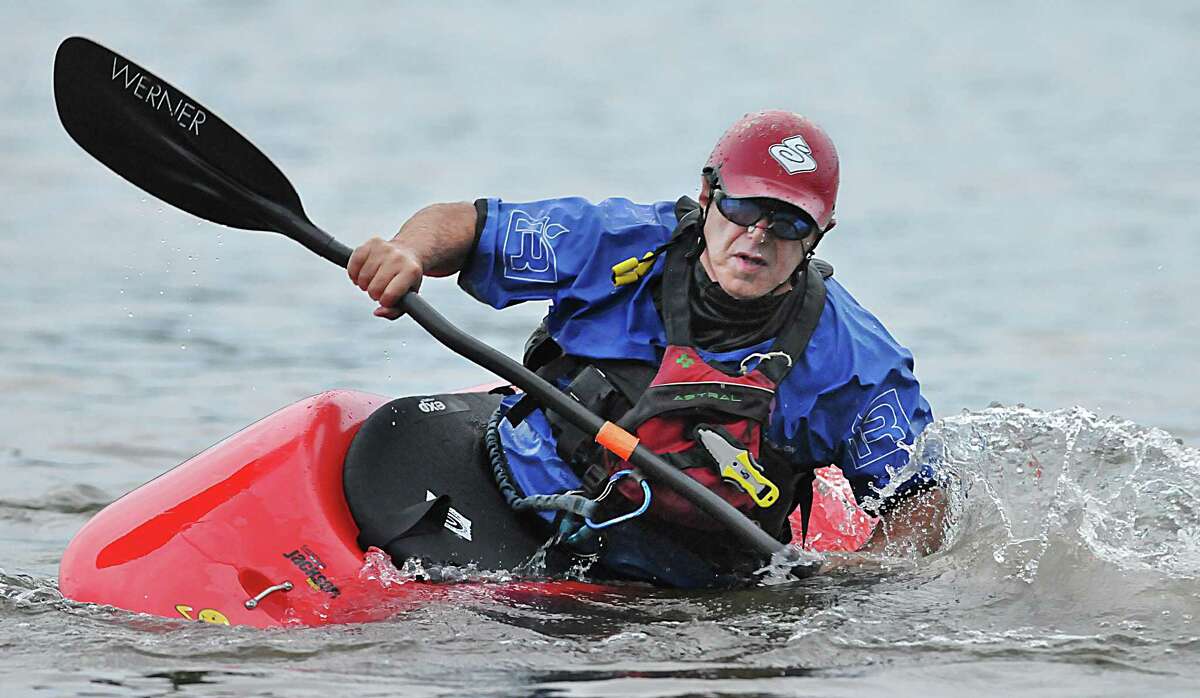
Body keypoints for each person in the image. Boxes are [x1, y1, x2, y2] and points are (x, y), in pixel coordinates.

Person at [348, 110, 944, 587]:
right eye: (744, 208)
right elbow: (465, 225)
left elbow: (924, 502)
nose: (757, 237)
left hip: (683, 580)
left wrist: (862, 572)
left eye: (788, 223)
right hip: (517, 492)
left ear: (820, 232)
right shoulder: (617, 243)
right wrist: (409, 252)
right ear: (708, 195)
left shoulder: (856, 362)